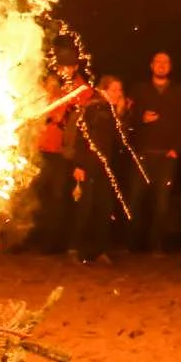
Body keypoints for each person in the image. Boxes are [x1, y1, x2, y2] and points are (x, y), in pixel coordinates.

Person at [125, 51, 181, 252]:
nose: (161, 65)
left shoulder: (178, 92)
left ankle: (157, 245)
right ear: (151, 66)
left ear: (170, 67)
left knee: (162, 204)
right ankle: (132, 244)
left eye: (166, 62)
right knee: (135, 200)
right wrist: (141, 119)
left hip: (166, 157)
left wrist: (177, 149)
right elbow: (127, 118)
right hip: (142, 155)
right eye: (158, 62)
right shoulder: (139, 90)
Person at [26, 43, 89, 253]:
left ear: (75, 67)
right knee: (36, 196)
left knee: (58, 197)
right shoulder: (48, 85)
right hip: (40, 146)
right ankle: (30, 238)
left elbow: (78, 119)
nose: (65, 70)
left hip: (62, 152)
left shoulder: (81, 90)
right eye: (61, 66)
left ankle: (53, 243)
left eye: (69, 66)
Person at [67, 74, 134, 264]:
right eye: (114, 90)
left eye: (120, 90)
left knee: (104, 208)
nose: (118, 94)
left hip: (104, 167)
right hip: (87, 165)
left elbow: (122, 141)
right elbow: (81, 137)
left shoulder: (113, 111)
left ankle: (99, 250)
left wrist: (122, 114)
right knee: (84, 207)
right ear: (103, 90)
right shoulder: (93, 108)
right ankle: (75, 248)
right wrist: (78, 164)